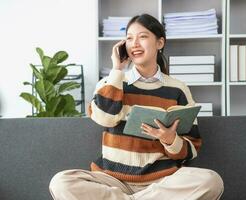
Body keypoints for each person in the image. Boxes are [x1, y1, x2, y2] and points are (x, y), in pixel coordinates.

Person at [49, 13, 224, 200]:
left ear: (160, 43)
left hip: (161, 182)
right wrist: (117, 70)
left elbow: (192, 148)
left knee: (211, 181)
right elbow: (105, 118)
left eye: (142, 36)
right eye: (129, 38)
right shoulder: (111, 82)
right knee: (61, 182)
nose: (134, 44)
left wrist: (170, 140)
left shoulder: (178, 89)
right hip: (112, 180)